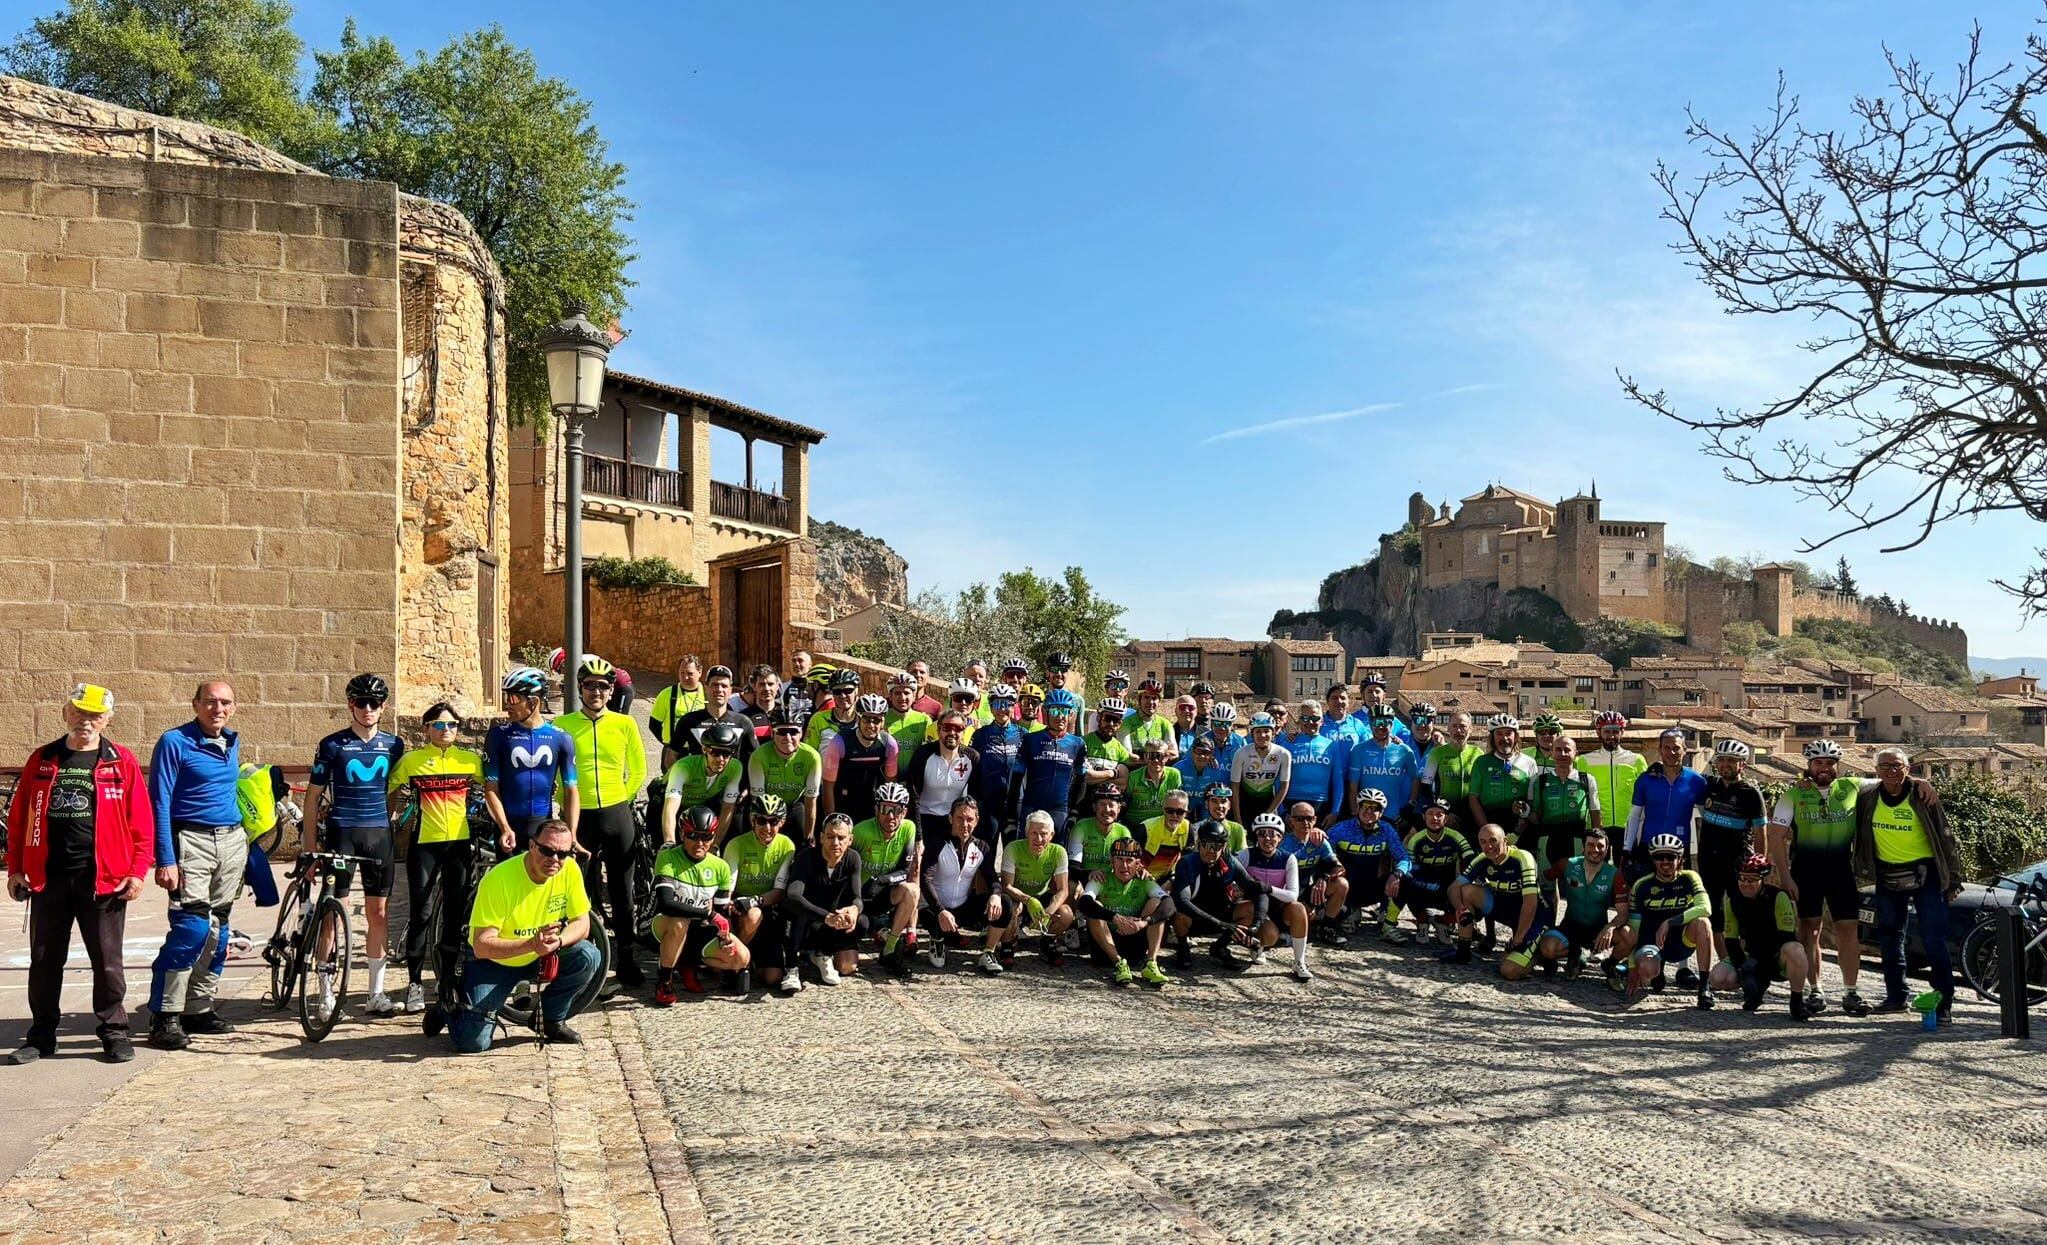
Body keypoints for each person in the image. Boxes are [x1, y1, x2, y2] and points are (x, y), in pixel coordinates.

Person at [6, 684, 152, 1064]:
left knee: (106, 960)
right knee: (44, 958)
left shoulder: (121, 761)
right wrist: (16, 868)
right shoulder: (43, 759)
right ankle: (40, 1036)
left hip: (103, 879)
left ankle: (114, 1033)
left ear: (107, 719)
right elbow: (20, 818)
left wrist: (136, 873)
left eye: (94, 715)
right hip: (48, 877)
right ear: (65, 712)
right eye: (78, 712)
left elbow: (142, 823)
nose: (85, 720)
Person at [145, 680, 246, 1051]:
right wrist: (165, 858)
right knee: (191, 928)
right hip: (191, 841)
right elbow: (159, 801)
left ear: (232, 708)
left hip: (231, 841)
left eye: (224, 703)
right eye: (209, 702)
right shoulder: (174, 741)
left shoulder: (232, 741)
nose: (217, 709)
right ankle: (164, 1015)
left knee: (219, 929)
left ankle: (198, 1007)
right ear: (195, 705)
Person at [303, 674, 408, 1015]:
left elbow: (393, 787)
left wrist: (389, 819)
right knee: (334, 914)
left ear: (383, 707)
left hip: (378, 836)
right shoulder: (332, 744)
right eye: (360, 703)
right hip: (341, 833)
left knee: (379, 914)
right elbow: (314, 796)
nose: (367, 709)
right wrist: (308, 846)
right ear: (350, 705)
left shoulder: (395, 745)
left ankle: (375, 993)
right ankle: (325, 992)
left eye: (374, 703)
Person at [446, 818, 600, 1051]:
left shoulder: (569, 869)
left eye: (564, 853)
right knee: (472, 1043)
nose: (555, 859)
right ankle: (448, 1008)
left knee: (589, 955)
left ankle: (550, 1019)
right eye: (547, 851)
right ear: (531, 845)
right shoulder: (499, 879)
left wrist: (558, 941)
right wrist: (531, 944)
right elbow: (481, 945)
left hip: (539, 953)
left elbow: (582, 923)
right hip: (493, 961)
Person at [554, 655, 649, 988]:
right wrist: (563, 805)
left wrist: (619, 797)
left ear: (612, 691)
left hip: (615, 812)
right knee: (580, 889)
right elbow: (554, 774)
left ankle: (625, 958)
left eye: (603, 686)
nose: (596, 691)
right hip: (579, 817)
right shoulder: (563, 726)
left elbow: (638, 769)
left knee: (622, 890)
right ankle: (586, 955)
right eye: (590, 685)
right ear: (580, 688)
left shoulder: (625, 724)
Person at [388, 702, 487, 1014]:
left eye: (453, 725)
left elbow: (492, 791)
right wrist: (385, 824)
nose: (447, 731)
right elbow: (390, 791)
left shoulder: (469, 761)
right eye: (440, 725)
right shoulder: (411, 761)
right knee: (422, 913)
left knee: (455, 916)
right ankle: (415, 983)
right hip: (424, 846)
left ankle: (445, 979)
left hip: (459, 844)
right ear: (426, 728)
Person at [1854, 747, 1965, 1020]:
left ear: (1908, 768)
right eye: (1885, 766)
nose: (1891, 771)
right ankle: (1896, 997)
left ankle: (1943, 1003)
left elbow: (1945, 837)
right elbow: (1839, 784)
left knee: (1932, 937)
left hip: (1927, 874)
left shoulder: (1923, 796)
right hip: (1887, 874)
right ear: (1876, 770)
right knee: (1890, 937)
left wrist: (1953, 880)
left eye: (1897, 765)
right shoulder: (1868, 796)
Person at [1769, 738, 1871, 1017]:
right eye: (1818, 763)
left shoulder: (1852, 787)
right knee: (1809, 930)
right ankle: (1816, 990)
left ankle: (1851, 991)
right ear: (1809, 765)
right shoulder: (1793, 794)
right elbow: (1775, 838)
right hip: (1806, 871)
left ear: (1838, 765)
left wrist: (1920, 782)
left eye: (1829, 763)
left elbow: (1890, 781)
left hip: (1841, 870)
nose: (1824, 768)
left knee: (1848, 930)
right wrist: (1785, 876)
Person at [650, 806, 750, 1002]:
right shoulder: (668, 856)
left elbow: (722, 911)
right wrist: (709, 914)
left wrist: (724, 939)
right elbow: (666, 904)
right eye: (692, 836)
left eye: (706, 837)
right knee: (680, 922)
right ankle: (665, 981)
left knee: (741, 958)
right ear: (682, 833)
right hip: (661, 924)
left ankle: (687, 961)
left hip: (697, 929)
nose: (700, 842)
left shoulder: (719, 866)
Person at [484, 667, 578, 853]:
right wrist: (504, 828)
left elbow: (571, 789)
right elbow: (491, 789)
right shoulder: (498, 736)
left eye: (512, 698)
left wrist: (572, 833)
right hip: (508, 825)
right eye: (506, 697)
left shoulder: (561, 738)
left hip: (544, 824)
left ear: (533, 702)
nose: (506, 705)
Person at [1708, 852, 1812, 1020]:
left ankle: (1796, 1002)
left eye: (1751, 880)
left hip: (1776, 956)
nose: (1745, 884)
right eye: (1741, 878)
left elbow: (1786, 937)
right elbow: (1731, 941)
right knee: (1718, 978)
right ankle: (1756, 991)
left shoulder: (1778, 897)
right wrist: (1744, 969)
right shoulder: (1732, 901)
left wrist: (1760, 967)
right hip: (1752, 954)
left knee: (1795, 950)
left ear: (1762, 879)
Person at [1618, 833, 1715, 1009]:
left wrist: (1669, 922)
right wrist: (1633, 967)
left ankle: (1704, 987)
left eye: (1670, 857)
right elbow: (1634, 929)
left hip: (1681, 941)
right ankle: (1658, 970)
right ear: (1652, 859)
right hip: (1651, 943)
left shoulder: (1690, 878)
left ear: (1680, 858)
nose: (1665, 862)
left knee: (1703, 923)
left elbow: (1706, 908)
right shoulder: (1642, 885)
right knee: (1648, 972)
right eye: (1659, 857)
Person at [1440, 823, 1544, 980]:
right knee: (1466, 890)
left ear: (1505, 840)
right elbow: (1454, 888)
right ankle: (1463, 951)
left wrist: (1517, 939)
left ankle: (1539, 954)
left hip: (1534, 916)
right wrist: (1461, 908)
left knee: (1509, 971)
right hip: (1507, 911)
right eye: (1483, 842)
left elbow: (1530, 904)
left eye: (1493, 840)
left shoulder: (1523, 858)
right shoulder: (1482, 858)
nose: (1488, 846)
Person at [776, 812, 865, 992]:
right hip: (803, 922)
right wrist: (826, 917)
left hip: (828, 924)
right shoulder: (806, 857)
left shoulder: (853, 858)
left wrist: (854, 909)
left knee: (862, 923)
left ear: (850, 839)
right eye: (830, 837)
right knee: (799, 911)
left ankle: (823, 954)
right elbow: (792, 896)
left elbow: (857, 897)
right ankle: (791, 967)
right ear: (821, 837)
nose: (836, 843)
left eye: (841, 838)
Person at [1696, 738, 1767, 960]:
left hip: (1738, 863)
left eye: (1732, 761)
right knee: (1714, 915)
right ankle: (1726, 963)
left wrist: (1759, 867)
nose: (1725, 764)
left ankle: (1747, 963)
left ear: (1742, 765)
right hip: (1709, 861)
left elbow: (1760, 834)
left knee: (1741, 914)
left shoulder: (1751, 793)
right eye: (1722, 760)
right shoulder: (1710, 785)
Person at [1514, 733, 1600, 908]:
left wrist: (1598, 840)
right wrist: (1524, 812)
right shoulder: (1540, 780)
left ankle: (1575, 930)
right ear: (1552, 753)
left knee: (1577, 889)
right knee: (1547, 890)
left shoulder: (1586, 779)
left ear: (1575, 753)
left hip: (1576, 841)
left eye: (1567, 750)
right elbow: (1536, 817)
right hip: (1547, 840)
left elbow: (1595, 813)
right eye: (1558, 750)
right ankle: (1549, 928)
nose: (1562, 754)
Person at [722, 793, 797, 992]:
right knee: (753, 915)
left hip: (765, 908)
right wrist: (736, 905)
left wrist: (754, 900)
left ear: (781, 822)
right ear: (753, 820)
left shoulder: (787, 846)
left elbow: (779, 891)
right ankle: (737, 963)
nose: (767, 828)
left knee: (773, 979)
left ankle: (749, 959)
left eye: (773, 822)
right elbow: (728, 889)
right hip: (739, 911)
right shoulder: (736, 845)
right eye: (762, 821)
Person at [1531, 825, 1626, 981]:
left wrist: (1610, 927)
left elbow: (1623, 914)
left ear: (1607, 848)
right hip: (1570, 927)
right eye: (1591, 845)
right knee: (1548, 948)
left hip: (1598, 932)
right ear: (1583, 846)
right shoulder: (1566, 864)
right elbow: (1545, 879)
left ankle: (1610, 964)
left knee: (1629, 936)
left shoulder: (1615, 874)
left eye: (1600, 846)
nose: (1595, 850)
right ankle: (1574, 954)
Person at [923, 797, 1004, 972]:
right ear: (951, 818)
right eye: (960, 818)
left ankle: (988, 952)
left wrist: (995, 895)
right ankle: (937, 939)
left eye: (969, 819)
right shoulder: (937, 843)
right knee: (928, 914)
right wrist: (940, 910)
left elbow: (993, 880)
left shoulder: (982, 847)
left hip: (962, 908)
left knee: (1004, 903)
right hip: (936, 910)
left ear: (977, 821)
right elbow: (925, 879)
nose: (964, 824)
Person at [1077, 839, 1170, 987]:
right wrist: (1115, 918)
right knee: (1095, 906)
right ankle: (1119, 963)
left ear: (1138, 863)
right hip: (1105, 949)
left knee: (1156, 903)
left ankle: (1151, 963)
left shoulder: (1144, 879)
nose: (1124, 865)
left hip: (1135, 945)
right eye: (1119, 859)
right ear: (1111, 860)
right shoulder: (1101, 877)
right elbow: (1084, 903)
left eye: (1129, 860)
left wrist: (1143, 922)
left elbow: (1169, 905)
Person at [853, 782, 923, 975]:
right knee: (847, 966)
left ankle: (890, 949)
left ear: (904, 812)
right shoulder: (860, 831)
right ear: (876, 809)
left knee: (912, 890)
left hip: (882, 892)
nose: (890, 816)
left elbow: (905, 870)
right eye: (885, 809)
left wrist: (882, 880)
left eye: (896, 810)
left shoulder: (908, 828)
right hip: (857, 897)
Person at [1169, 820, 1260, 967]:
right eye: (1207, 844)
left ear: (1223, 847)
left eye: (1217, 846)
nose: (1211, 850)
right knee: (1179, 914)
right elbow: (1182, 900)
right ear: (1199, 843)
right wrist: (1221, 924)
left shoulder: (1230, 862)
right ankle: (1182, 946)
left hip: (1221, 915)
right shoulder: (1187, 863)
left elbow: (1257, 889)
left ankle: (1220, 947)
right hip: (1194, 919)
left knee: (1250, 908)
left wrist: (1256, 924)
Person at [1624, 729, 1708, 886]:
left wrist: (1706, 848)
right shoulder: (1645, 779)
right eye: (1667, 748)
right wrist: (1627, 848)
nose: (1671, 752)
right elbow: (1634, 816)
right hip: (1648, 846)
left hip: (1680, 848)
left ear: (1685, 750)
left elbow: (1705, 818)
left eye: (1676, 748)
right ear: (1660, 750)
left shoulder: (1696, 781)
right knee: (1646, 896)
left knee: (1678, 898)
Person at [1326, 789, 1411, 942]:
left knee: (1406, 878)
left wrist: (1397, 874)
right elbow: (1323, 853)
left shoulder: (1387, 829)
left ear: (1381, 812)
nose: (1369, 811)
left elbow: (1404, 858)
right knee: (1337, 913)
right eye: (1365, 806)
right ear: (1358, 808)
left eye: (1375, 808)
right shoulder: (1341, 828)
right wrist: (1335, 865)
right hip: (1346, 890)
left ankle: (1388, 925)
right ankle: (1349, 911)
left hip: (1371, 888)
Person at [1237, 813, 1314, 981]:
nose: (1267, 838)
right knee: (1271, 937)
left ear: (1280, 837)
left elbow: (1293, 895)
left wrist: (1268, 888)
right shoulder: (1246, 855)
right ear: (1256, 836)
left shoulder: (1288, 858)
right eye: (1262, 833)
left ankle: (1299, 961)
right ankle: (1256, 945)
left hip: (1279, 907)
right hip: (1255, 909)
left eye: (1273, 834)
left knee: (1298, 908)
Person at [996, 810, 1075, 965]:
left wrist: (1049, 911)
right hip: (1019, 896)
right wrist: (1028, 900)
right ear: (1026, 832)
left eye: (1043, 834)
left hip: (1043, 895)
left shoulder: (1059, 852)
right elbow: (1006, 886)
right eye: (1033, 833)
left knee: (1066, 914)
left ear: (1051, 835)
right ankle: (1007, 944)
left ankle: (1048, 941)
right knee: (1012, 908)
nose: (1038, 839)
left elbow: (1063, 889)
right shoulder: (1013, 848)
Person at [1392, 799, 1471, 946]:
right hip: (1423, 886)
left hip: (1448, 890)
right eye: (1430, 814)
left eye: (1439, 814)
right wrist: (1426, 886)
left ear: (1446, 819)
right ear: (1424, 817)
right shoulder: (1416, 839)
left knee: (1472, 892)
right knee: (1405, 879)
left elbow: (1470, 859)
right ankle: (1421, 920)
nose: (1434, 818)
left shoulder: (1456, 837)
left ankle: (1442, 922)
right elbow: (1411, 871)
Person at [661, 719, 747, 846]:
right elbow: (670, 809)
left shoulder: (735, 767)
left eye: (726, 753)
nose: (721, 759)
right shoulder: (684, 767)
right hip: (670, 805)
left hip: (701, 806)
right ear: (704, 749)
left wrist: (715, 844)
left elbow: (727, 809)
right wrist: (669, 842)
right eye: (715, 752)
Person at [747, 706, 822, 847]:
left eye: (793, 732)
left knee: (803, 841)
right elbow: (757, 801)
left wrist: (808, 838)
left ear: (801, 733)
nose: (787, 738)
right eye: (781, 732)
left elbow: (811, 801)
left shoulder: (812, 757)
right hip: (767, 806)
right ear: (772, 733)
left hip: (795, 804)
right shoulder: (759, 756)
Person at [820, 694, 899, 824]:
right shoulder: (840, 741)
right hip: (844, 803)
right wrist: (831, 819)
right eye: (866, 720)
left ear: (883, 721)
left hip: (873, 805)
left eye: (877, 720)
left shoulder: (889, 743)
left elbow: (890, 783)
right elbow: (828, 786)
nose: (871, 725)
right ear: (858, 719)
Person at [1018, 689, 1087, 838]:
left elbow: (1082, 780)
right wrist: (1012, 817)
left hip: (1060, 809)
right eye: (1055, 711)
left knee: (1056, 856)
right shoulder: (1031, 740)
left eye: (1065, 711)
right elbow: (1016, 779)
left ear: (1071, 714)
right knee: (1026, 855)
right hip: (1031, 806)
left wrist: (1074, 811)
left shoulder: (1077, 744)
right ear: (1046, 712)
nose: (1060, 716)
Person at [903, 712, 979, 841]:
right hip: (924, 819)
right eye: (947, 727)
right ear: (938, 730)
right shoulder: (922, 754)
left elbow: (975, 798)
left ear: (964, 732)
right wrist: (918, 838)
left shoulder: (972, 757)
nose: (952, 732)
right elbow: (913, 796)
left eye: (958, 728)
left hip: (954, 822)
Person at [1280, 802, 1347, 947]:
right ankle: (1286, 928)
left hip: (1309, 891)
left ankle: (1326, 929)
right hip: (1288, 893)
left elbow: (1338, 868)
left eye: (1309, 818)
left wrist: (1324, 878)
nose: (1305, 822)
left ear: (1315, 820)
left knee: (1342, 884)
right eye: (1299, 819)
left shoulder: (1319, 841)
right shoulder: (1283, 843)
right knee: (1303, 914)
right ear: (1291, 820)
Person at [674, 666, 759, 769]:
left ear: (730, 690)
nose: (719, 690)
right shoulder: (689, 720)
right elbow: (671, 755)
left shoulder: (743, 722)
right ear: (706, 688)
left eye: (724, 686)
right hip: (698, 784)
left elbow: (757, 757)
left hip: (733, 783)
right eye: (714, 685)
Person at [969, 685, 1025, 839]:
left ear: (1013, 707)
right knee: (987, 853)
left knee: (1014, 853)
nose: (1002, 709)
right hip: (989, 803)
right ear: (991, 707)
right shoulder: (981, 735)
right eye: (997, 704)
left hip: (1015, 804)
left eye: (1007, 704)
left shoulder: (1022, 734)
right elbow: (973, 771)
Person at [1347, 706, 1419, 825]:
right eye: (1377, 722)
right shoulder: (1359, 750)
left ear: (1392, 725)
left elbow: (1415, 778)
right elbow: (1352, 787)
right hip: (1366, 815)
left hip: (1394, 816)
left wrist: (1411, 804)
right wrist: (1355, 813)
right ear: (1370, 725)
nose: (1381, 726)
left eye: (1386, 722)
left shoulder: (1404, 750)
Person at [1467, 715, 1537, 836]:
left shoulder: (1529, 762)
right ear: (1492, 738)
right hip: (1489, 820)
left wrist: (1518, 830)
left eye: (1508, 733)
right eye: (1498, 733)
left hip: (1519, 824)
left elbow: (1532, 801)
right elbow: (1473, 799)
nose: (1504, 738)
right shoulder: (1481, 762)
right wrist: (1486, 830)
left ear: (1515, 736)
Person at [1283, 700, 1348, 827]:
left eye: (1315, 718)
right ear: (1299, 721)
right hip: (1292, 803)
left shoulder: (1331, 745)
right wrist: (1282, 812)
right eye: (1305, 718)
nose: (1310, 722)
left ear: (1322, 721)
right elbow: (1278, 782)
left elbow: (1338, 781)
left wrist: (1335, 811)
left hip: (1321, 805)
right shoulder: (1288, 743)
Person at [1418, 711, 1482, 831]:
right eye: (1454, 726)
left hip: (1473, 813)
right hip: (1446, 814)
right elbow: (1426, 787)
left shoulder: (1478, 753)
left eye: (1462, 726)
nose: (1458, 730)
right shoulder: (1436, 753)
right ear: (1448, 729)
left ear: (1470, 729)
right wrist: (1445, 812)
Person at [1231, 712, 1292, 825]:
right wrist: (1237, 818)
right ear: (1252, 734)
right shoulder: (1241, 753)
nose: (1262, 735)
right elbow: (1235, 787)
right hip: (1244, 801)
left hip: (1268, 802)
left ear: (1273, 733)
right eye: (1258, 731)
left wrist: (1269, 812)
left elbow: (1284, 786)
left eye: (1266, 731)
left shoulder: (1283, 754)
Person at [649, 654, 707, 769]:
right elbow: (654, 724)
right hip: (674, 754)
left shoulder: (708, 695)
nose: (685, 677)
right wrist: (669, 744)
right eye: (682, 673)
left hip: (702, 753)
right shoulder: (667, 694)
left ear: (700, 672)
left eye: (690, 673)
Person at [1070, 786, 1134, 880]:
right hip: (1084, 878)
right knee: (1072, 886)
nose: (1107, 809)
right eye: (1102, 804)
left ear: (1119, 809)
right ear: (1094, 807)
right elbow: (1073, 867)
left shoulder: (1123, 831)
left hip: (1111, 883)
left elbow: (1128, 865)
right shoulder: (1081, 828)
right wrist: (1090, 873)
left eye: (1111, 805)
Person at [1124, 741, 1183, 833]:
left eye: (1160, 756)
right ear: (1145, 757)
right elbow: (1124, 804)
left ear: (1167, 758)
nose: (1156, 760)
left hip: (1162, 826)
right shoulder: (1133, 776)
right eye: (1152, 756)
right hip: (1136, 825)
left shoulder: (1175, 774)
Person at [1136, 789, 1194, 882]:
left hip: (1170, 877)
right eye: (1169, 810)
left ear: (1186, 813)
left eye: (1180, 812)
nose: (1174, 815)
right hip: (1143, 876)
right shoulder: (1146, 829)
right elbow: (1131, 859)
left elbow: (1188, 861)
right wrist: (1140, 870)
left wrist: (1172, 880)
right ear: (1163, 809)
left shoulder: (1188, 828)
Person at [805, 670, 865, 751]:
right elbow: (808, 752)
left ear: (856, 691)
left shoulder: (864, 720)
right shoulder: (818, 719)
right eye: (837, 691)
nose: (843, 696)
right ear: (832, 693)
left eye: (848, 691)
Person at [1121, 678, 1179, 761]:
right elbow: (1126, 756)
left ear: (1159, 701)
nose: (1151, 702)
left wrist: (1143, 757)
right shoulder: (1126, 722)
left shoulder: (1165, 724)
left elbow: (1174, 754)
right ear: (1139, 699)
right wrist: (1158, 756)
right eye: (1146, 697)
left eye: (1154, 698)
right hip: (1134, 772)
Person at [882, 671, 934, 758]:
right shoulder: (882, 719)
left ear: (913, 696)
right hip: (886, 771)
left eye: (906, 693)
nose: (902, 698)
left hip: (916, 771)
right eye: (897, 693)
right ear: (890, 696)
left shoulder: (924, 720)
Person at [1173, 736, 1228, 805]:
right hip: (1180, 810)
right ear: (1192, 751)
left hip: (1205, 809)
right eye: (1198, 751)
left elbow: (1215, 799)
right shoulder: (1178, 768)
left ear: (1212, 754)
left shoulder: (1215, 770)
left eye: (1206, 752)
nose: (1202, 756)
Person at [1200, 783, 1248, 854]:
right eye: (1214, 801)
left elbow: (1243, 858)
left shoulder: (1237, 829)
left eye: (1223, 801)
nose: (1219, 805)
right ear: (1206, 804)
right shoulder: (1197, 828)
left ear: (1229, 805)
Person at [1200, 703, 1245, 775]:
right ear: (1211, 724)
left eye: (1227, 724)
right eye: (1217, 723)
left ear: (1232, 726)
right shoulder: (1201, 741)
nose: (1222, 728)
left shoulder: (1240, 743)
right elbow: (1185, 765)